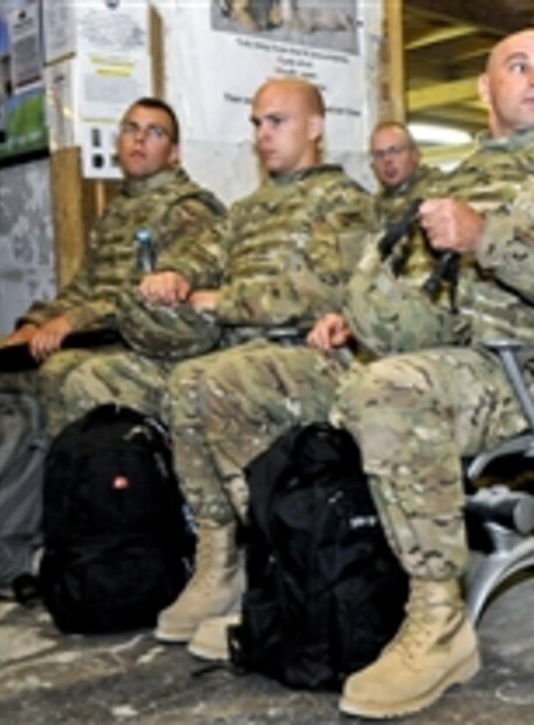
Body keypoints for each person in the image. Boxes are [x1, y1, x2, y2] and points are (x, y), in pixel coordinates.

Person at [328, 29, 534, 718]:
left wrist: (485, 236)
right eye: (518, 66)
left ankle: (439, 623)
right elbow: (426, 308)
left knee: (388, 392)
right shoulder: (452, 181)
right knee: (294, 378)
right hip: (460, 361)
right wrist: (360, 314)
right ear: (484, 88)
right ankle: (263, 573)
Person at [59, 77, 378, 648]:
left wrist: (222, 301)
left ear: (315, 127)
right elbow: (197, 258)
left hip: (309, 354)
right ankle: (167, 543)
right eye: (256, 123)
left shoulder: (345, 203)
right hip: (231, 349)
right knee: (98, 379)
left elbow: (325, 290)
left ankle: (245, 558)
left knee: (200, 384)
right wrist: (176, 276)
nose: (262, 135)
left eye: (276, 122)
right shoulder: (246, 212)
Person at [0, 97, 223, 437]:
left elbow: (155, 302)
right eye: (131, 128)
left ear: (174, 153)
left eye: (154, 132)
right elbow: (83, 286)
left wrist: (71, 322)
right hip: (86, 333)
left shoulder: (188, 210)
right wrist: (36, 323)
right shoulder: (118, 211)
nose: (139, 139)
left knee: (58, 372)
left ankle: (61, 475)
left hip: (131, 339)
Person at [369, 120, 445, 226]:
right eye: (379, 155)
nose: (387, 160)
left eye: (395, 151)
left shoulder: (439, 193)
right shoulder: (375, 205)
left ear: (415, 155)